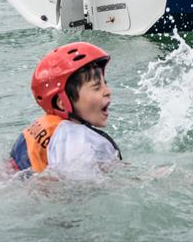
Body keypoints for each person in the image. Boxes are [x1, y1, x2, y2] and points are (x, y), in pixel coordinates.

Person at [9, 42, 121, 176]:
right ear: (62, 103)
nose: (108, 91)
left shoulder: (46, 127)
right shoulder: (78, 143)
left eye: (105, 84)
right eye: (97, 87)